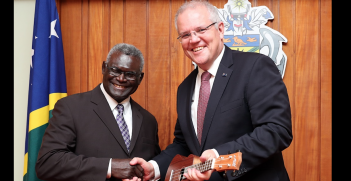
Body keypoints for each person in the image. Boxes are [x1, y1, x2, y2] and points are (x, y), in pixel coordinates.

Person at [129, 0, 293, 181]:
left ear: (221, 29)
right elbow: (183, 145)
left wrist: (219, 155)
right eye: (185, 35)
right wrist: (153, 168)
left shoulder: (255, 66)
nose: (193, 39)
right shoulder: (184, 88)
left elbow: (276, 131)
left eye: (201, 30)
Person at [35, 43, 161, 181]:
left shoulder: (148, 120)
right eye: (115, 70)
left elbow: (150, 169)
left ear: (140, 78)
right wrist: (109, 167)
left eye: (130, 74)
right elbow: (48, 163)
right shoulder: (71, 107)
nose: (121, 78)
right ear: (104, 68)